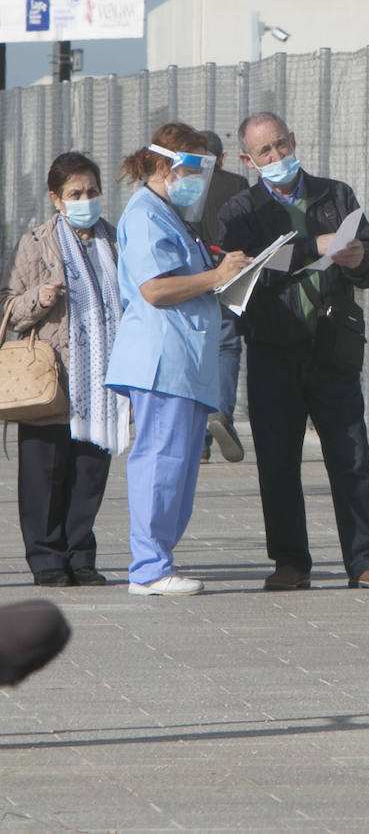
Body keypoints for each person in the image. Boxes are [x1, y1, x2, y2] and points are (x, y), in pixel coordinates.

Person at [218, 111, 369, 592]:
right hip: (272, 348)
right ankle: (290, 562)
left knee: (351, 456)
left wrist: (363, 257)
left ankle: (366, 560)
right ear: (248, 159)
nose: (277, 156)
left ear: (294, 140)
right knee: (278, 461)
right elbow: (245, 270)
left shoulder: (335, 194)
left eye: (282, 144)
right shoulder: (240, 211)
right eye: (265, 151)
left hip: (332, 347)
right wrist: (309, 247)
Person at [106, 123, 251, 596]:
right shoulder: (146, 215)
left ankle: (158, 560)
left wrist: (221, 274)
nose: (198, 179)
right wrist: (215, 276)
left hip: (181, 362)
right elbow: (155, 289)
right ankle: (148, 568)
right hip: (161, 362)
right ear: (166, 165)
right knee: (160, 460)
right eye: (192, 168)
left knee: (180, 464)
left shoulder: (167, 212)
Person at [1, 152, 129, 587]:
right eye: (75, 193)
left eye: (92, 191)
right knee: (44, 473)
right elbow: (10, 309)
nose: (86, 200)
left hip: (102, 383)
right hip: (52, 380)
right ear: (56, 199)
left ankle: (81, 554)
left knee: (90, 473)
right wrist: (40, 296)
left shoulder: (114, 239)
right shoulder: (35, 244)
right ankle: (47, 558)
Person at [194, 129, 249, 464]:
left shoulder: (182, 187)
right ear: (224, 158)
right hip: (229, 275)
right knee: (227, 346)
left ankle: (199, 439)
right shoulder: (237, 186)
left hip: (194, 279)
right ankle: (221, 416)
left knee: (199, 352)